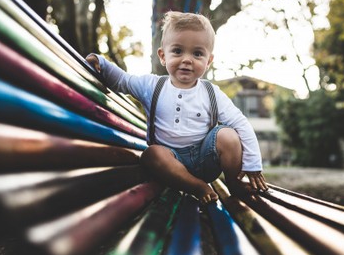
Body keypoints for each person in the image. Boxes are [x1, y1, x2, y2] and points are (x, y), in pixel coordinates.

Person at [86, 11, 268, 204]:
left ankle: (234, 183)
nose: (187, 59)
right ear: (163, 56)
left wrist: (253, 164)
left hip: (205, 159)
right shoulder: (152, 86)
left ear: (208, 61)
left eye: (197, 53)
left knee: (228, 134)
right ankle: (196, 186)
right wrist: (102, 63)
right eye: (178, 51)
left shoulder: (210, 92)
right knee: (151, 154)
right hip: (170, 162)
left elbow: (241, 123)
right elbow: (123, 80)